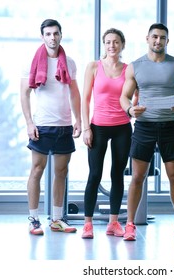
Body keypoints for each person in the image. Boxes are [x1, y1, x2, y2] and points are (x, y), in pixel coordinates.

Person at [119, 23, 174, 242]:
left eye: (162, 38)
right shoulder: (135, 66)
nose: (158, 41)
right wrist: (130, 109)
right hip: (144, 126)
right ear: (147, 38)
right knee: (137, 177)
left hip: (169, 126)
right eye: (154, 37)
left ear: (167, 41)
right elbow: (124, 96)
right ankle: (130, 224)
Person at [20, 19, 82, 235]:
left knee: (61, 172)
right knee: (37, 170)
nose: (52, 38)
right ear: (42, 37)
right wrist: (29, 122)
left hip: (64, 125)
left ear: (61, 35)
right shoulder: (32, 62)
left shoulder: (70, 62)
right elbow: (24, 94)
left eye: (56, 33)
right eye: (48, 34)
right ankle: (33, 219)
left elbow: (74, 93)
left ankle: (56, 219)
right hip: (42, 125)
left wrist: (79, 120)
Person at [81, 28, 132, 239]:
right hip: (98, 127)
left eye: (116, 42)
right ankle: (88, 223)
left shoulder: (129, 70)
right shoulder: (93, 67)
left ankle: (113, 223)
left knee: (117, 175)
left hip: (122, 126)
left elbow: (133, 97)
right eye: (108, 42)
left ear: (122, 45)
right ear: (104, 45)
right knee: (94, 175)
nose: (112, 45)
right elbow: (84, 99)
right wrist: (86, 128)